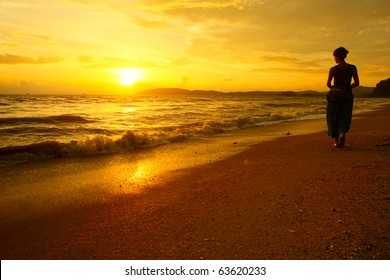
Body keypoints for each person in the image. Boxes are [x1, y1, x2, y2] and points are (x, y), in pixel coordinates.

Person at [326, 47, 360, 148]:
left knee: (332, 116)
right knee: (345, 116)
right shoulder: (352, 67)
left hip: (335, 96)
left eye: (334, 57)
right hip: (347, 95)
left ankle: (336, 140)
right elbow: (357, 83)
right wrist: (347, 88)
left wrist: (334, 88)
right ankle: (342, 134)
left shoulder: (333, 69)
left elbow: (328, 84)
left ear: (336, 57)